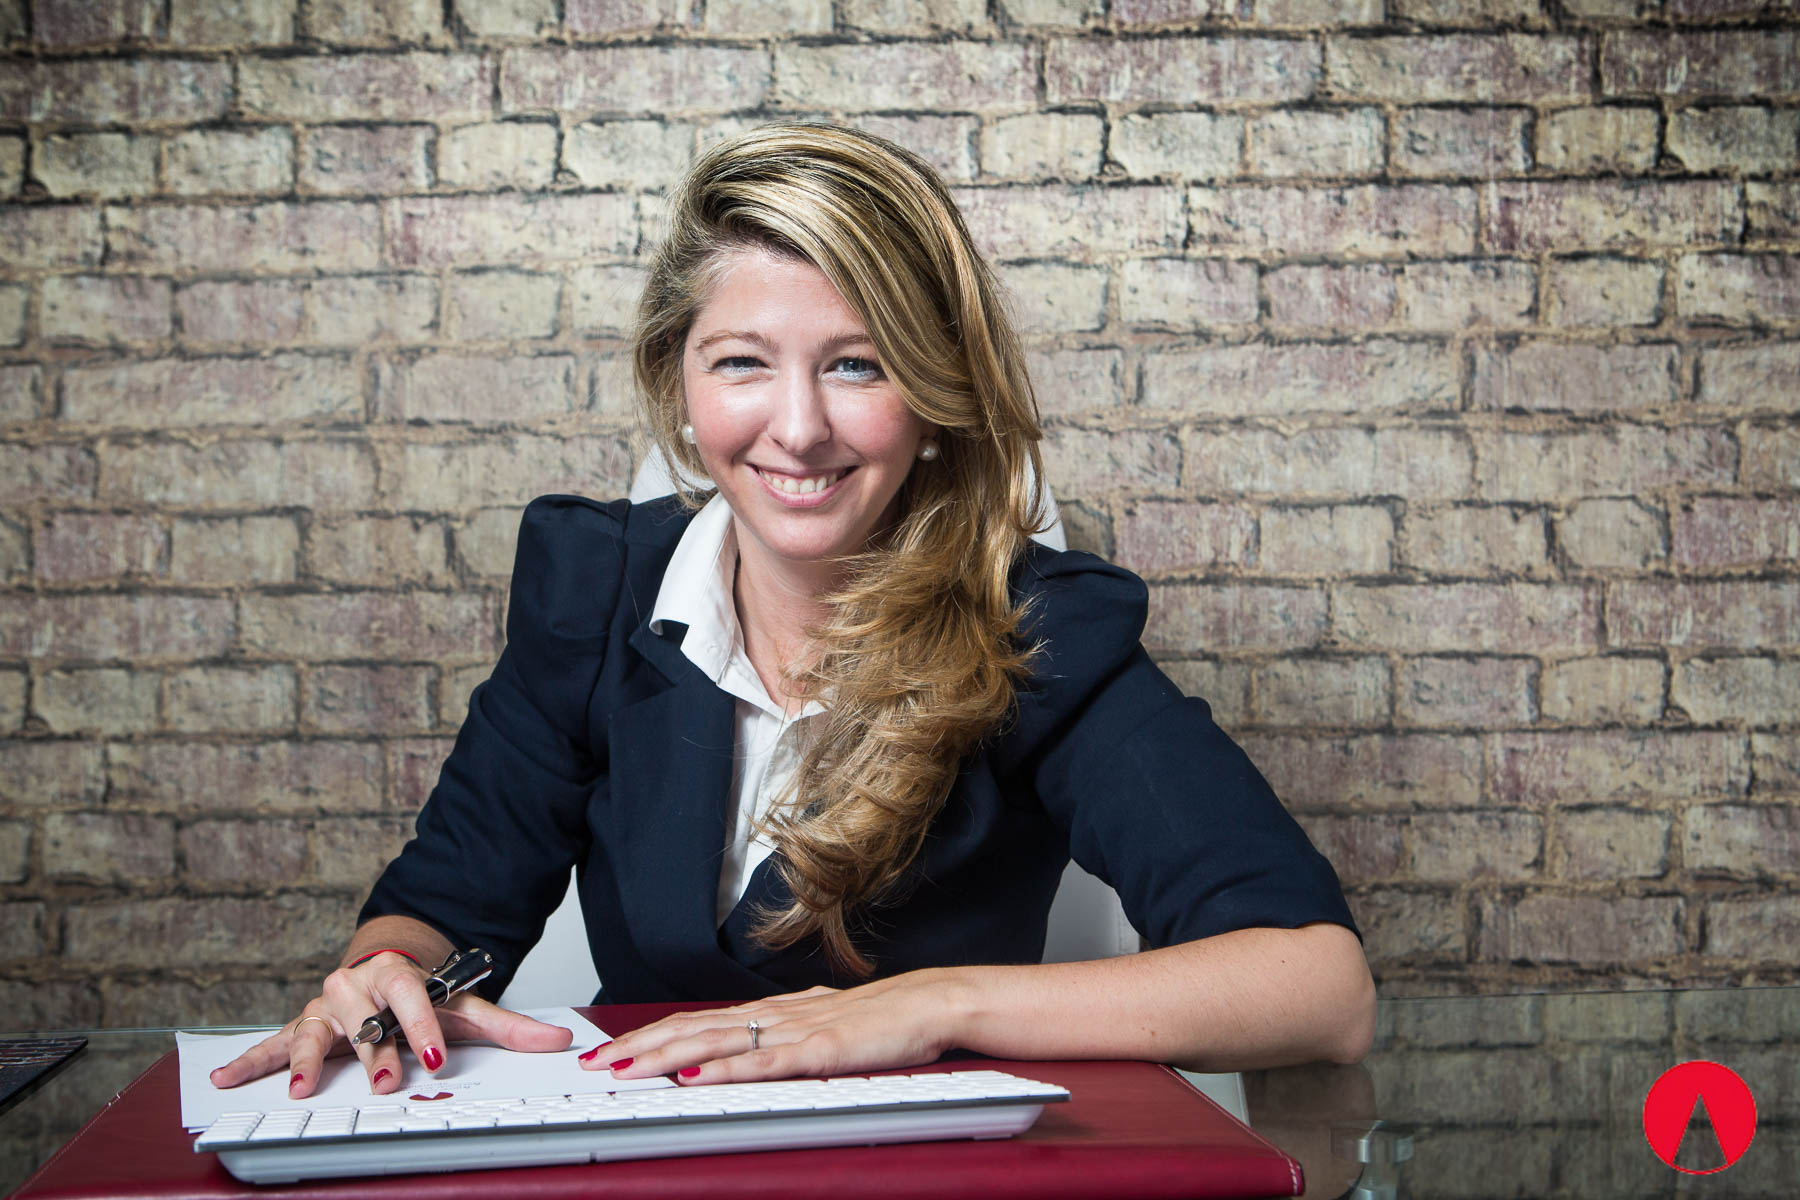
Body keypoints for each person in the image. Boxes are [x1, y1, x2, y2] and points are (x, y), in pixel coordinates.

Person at [214, 122, 1375, 1101]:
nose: (801, 428)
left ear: (934, 396)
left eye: (859, 365)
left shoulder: (1038, 632)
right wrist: (390, 974)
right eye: (741, 363)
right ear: (678, 380)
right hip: (640, 1157)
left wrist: (930, 1008)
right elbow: (443, 908)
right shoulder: (594, 592)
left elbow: (1318, 989)